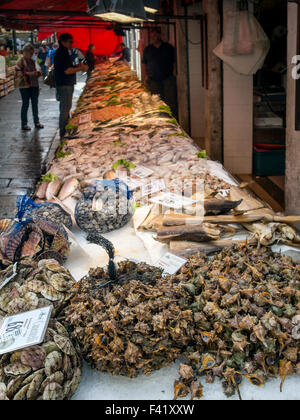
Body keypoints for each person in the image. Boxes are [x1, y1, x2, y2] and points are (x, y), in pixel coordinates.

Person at [54, 33, 88, 139]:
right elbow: (67, 71)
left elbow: (68, 67)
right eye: (70, 42)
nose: (72, 44)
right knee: (65, 108)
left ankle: (65, 129)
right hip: (65, 84)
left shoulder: (63, 52)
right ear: (63, 42)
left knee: (65, 108)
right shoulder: (62, 53)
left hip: (64, 84)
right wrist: (80, 68)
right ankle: (63, 133)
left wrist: (76, 66)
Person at [142, 28, 178, 118]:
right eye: (152, 36)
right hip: (153, 80)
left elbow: (174, 61)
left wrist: (174, 72)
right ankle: (160, 120)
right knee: (156, 102)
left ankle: (172, 120)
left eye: (155, 35)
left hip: (168, 78)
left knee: (170, 102)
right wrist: (145, 76)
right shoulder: (148, 49)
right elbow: (144, 63)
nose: (153, 37)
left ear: (159, 35)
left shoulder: (168, 47)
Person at [15, 43, 44, 131]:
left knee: (35, 104)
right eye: (29, 53)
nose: (31, 55)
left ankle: (37, 122)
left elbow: (39, 70)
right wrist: (30, 73)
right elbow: (18, 73)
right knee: (25, 104)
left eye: (32, 53)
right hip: (25, 86)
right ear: (24, 52)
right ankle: (24, 124)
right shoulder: (20, 61)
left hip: (34, 85)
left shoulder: (33, 61)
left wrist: (38, 73)